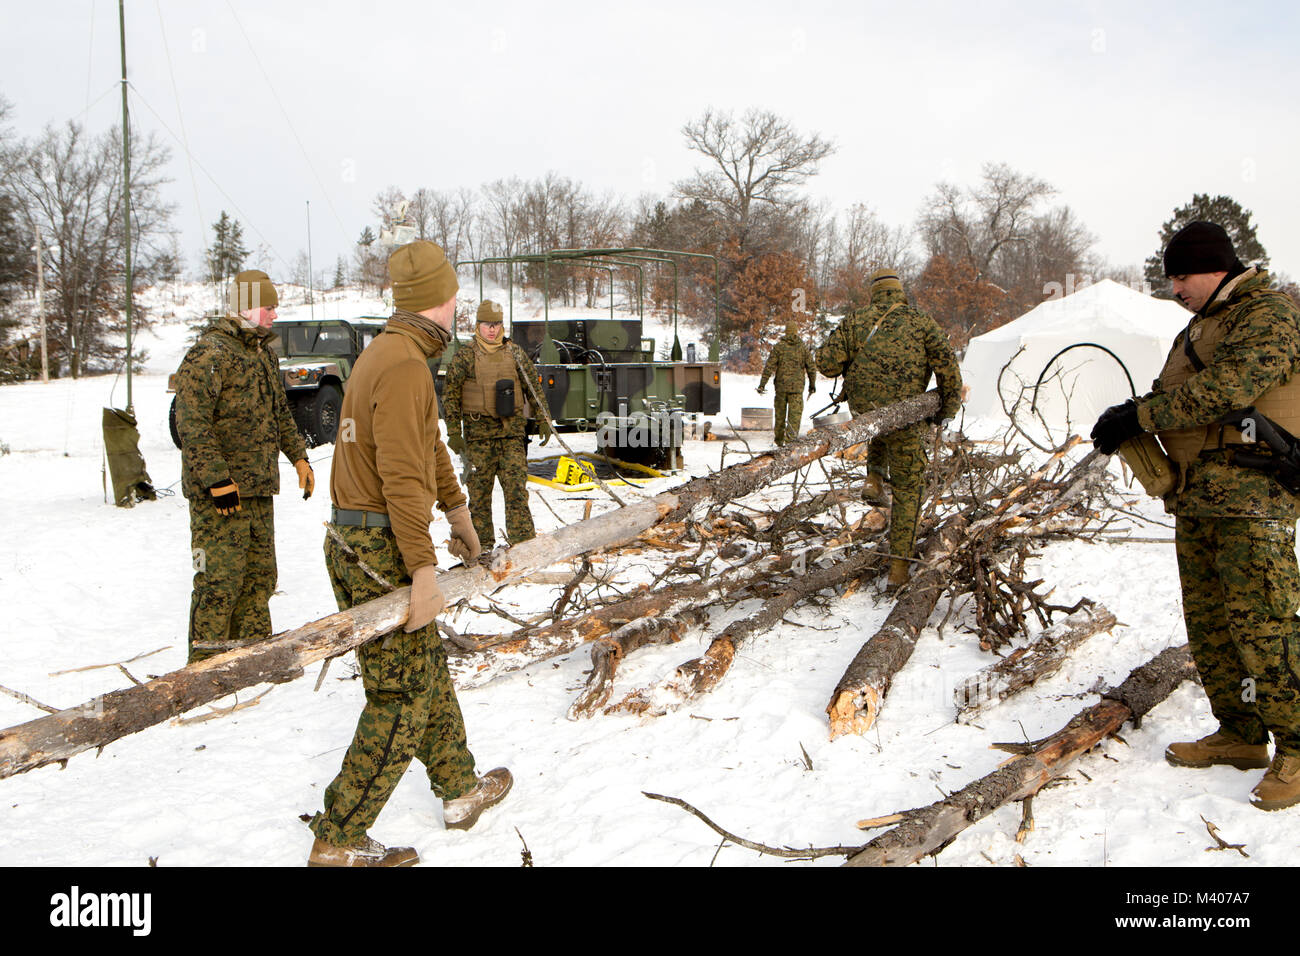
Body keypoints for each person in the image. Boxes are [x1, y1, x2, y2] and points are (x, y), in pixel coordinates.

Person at [308, 240, 512, 867]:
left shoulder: (395, 355)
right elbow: (400, 475)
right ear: (438, 302)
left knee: (424, 673)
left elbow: (428, 451)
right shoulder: (401, 366)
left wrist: (459, 514)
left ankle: (458, 791)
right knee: (400, 696)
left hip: (370, 536)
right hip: (378, 545)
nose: (458, 310)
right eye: (453, 297)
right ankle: (339, 836)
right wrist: (423, 570)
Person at [1090, 220, 1300, 811]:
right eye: (1171, 278)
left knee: (1264, 623)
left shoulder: (1267, 314)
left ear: (1216, 268)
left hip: (1253, 499)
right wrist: (1130, 415)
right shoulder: (1200, 325)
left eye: (1182, 276)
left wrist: (1142, 415)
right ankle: (1239, 733)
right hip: (1200, 497)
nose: (1175, 288)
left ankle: (1299, 746)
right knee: (1211, 625)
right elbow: (1175, 397)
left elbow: (1232, 388)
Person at [174, 270, 314, 664]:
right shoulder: (209, 354)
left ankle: (252, 660)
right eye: (269, 307)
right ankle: (204, 670)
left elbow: (279, 413)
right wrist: (217, 479)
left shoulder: (263, 353)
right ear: (246, 306)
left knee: (259, 579)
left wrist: (299, 456)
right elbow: (192, 423)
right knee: (219, 584)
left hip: (257, 490)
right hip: (219, 496)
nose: (273, 314)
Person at [817, 267, 962, 590]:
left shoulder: (855, 320)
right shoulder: (921, 321)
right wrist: (946, 410)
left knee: (878, 421)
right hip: (907, 417)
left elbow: (826, 363)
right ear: (899, 291)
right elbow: (948, 369)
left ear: (874, 292)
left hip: (866, 415)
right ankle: (899, 569)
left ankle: (874, 475)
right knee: (910, 489)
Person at [442, 299, 551, 548]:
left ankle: (524, 546)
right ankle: (481, 549)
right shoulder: (465, 357)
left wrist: (544, 420)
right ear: (478, 325)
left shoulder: (514, 353)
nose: (492, 329)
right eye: (487, 324)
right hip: (478, 439)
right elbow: (450, 396)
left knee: (516, 493)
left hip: (511, 436)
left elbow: (533, 387)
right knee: (479, 498)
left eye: (497, 324)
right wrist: (453, 432)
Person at [757, 318, 816, 445]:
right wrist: (812, 385)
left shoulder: (779, 347)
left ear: (786, 332)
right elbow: (811, 368)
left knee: (779, 417)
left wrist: (762, 384)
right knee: (794, 418)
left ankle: (779, 442)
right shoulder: (803, 348)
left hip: (781, 388)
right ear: (796, 332)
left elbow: (769, 367)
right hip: (796, 389)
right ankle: (791, 443)